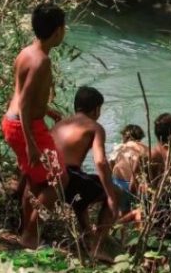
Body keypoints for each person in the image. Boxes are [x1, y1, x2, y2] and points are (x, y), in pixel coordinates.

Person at [1, 3, 68, 249]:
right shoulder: (41, 62)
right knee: (59, 180)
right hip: (25, 126)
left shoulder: (27, 52)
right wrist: (30, 143)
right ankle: (31, 235)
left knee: (37, 180)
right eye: (64, 27)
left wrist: (47, 110)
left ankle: (24, 231)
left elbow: (21, 94)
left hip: (15, 122)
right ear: (58, 31)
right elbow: (26, 104)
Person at [50, 86, 121, 262]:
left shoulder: (61, 123)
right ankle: (96, 247)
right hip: (68, 176)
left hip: (50, 177)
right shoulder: (94, 127)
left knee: (83, 188)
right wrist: (111, 194)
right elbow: (100, 162)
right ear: (96, 109)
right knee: (116, 192)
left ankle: (86, 235)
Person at [109, 124, 148, 216]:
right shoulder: (146, 148)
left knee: (123, 212)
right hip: (137, 186)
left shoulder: (121, 147)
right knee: (138, 212)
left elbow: (110, 162)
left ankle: (123, 228)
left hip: (120, 184)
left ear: (126, 137)